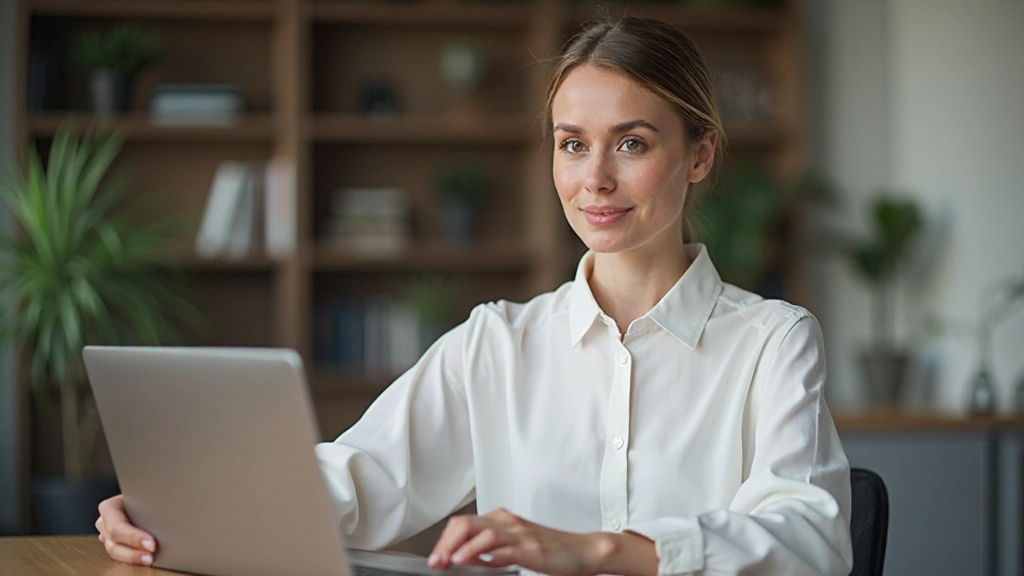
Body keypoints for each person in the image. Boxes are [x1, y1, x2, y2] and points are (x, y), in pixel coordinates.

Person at [96, 16, 853, 576]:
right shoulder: (497, 343)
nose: (594, 179)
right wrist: (176, 512)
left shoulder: (773, 340)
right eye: (572, 143)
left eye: (631, 143)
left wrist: (599, 552)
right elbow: (357, 480)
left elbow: (810, 538)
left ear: (699, 154)